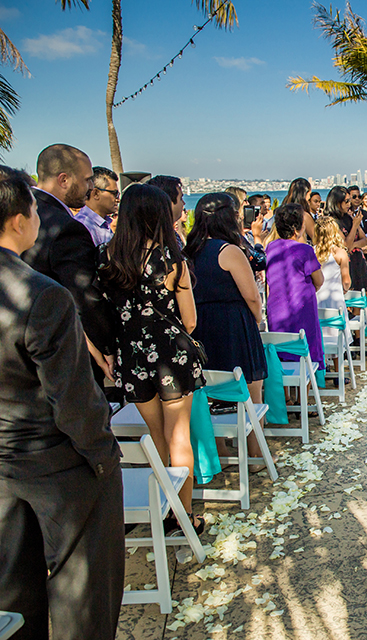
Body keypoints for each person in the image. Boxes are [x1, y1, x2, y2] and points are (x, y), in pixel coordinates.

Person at [0, 167, 124, 640]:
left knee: (13, 598)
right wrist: (102, 455)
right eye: (33, 208)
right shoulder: (41, 295)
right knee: (82, 602)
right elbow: (73, 398)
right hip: (56, 463)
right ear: (18, 220)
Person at [97, 183, 205, 532]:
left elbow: (101, 310)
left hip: (132, 356)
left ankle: (164, 508)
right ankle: (184, 515)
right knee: (179, 438)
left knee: (156, 436)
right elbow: (189, 321)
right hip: (171, 353)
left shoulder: (105, 257)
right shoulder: (171, 258)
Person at [23, 144, 115, 380]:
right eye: (86, 180)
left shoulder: (23, 210)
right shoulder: (65, 227)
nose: (90, 187)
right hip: (61, 350)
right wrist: (107, 347)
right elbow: (84, 296)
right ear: (63, 179)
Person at [184, 193, 266, 458]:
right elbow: (251, 294)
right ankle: (255, 455)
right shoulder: (228, 250)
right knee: (251, 389)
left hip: (202, 326)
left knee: (210, 392)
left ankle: (219, 452)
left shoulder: (188, 251)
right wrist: (256, 318)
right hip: (234, 324)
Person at [265, 203, 325, 366]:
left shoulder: (271, 247)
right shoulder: (304, 250)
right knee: (305, 355)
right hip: (301, 308)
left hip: (277, 308)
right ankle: (304, 391)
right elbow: (319, 280)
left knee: (282, 354)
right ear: (297, 227)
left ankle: (287, 392)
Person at [313, 216, 352, 364]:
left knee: (320, 332)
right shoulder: (340, 252)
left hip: (317, 297)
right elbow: (346, 280)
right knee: (336, 334)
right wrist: (345, 289)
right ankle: (338, 370)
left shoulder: (312, 251)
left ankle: (322, 366)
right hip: (334, 298)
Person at [327, 185, 367, 297]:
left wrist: (354, 245)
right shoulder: (331, 221)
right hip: (344, 266)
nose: (349, 204)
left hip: (358, 263)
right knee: (348, 303)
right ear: (337, 202)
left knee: (360, 303)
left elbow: (364, 240)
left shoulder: (349, 217)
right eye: (346, 201)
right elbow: (345, 245)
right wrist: (355, 226)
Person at [75, 166, 118, 246]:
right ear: (96, 194)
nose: (117, 199)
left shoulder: (106, 224)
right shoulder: (82, 226)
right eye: (114, 193)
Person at [282, 178, 314, 244]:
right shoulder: (304, 216)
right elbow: (316, 238)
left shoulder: (282, 213)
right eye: (309, 194)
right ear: (304, 194)